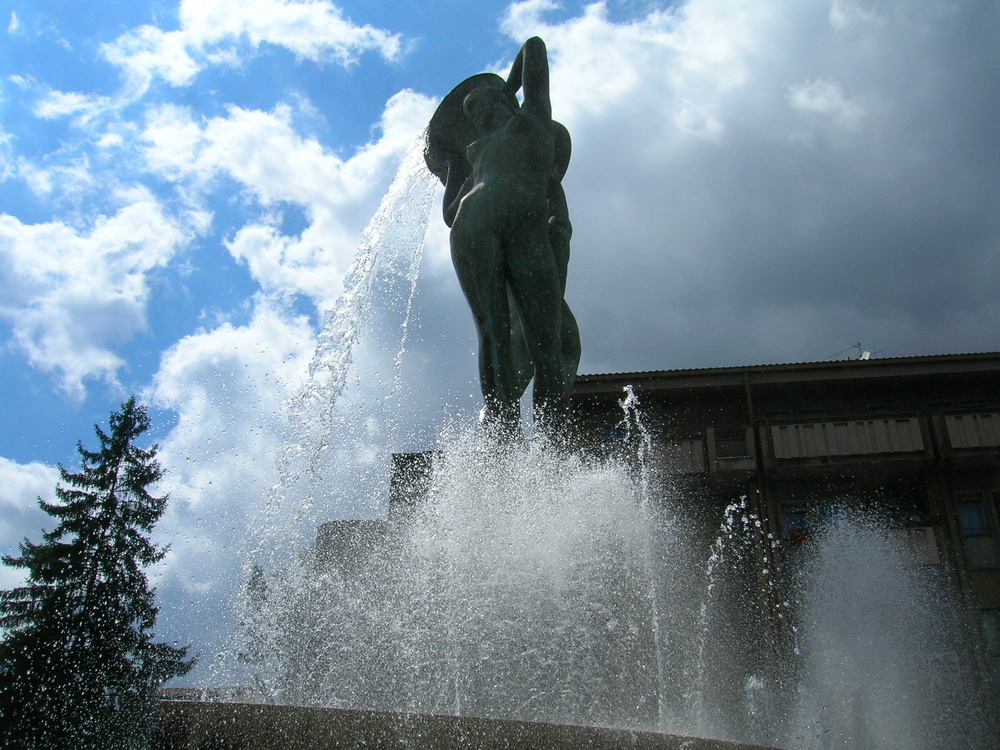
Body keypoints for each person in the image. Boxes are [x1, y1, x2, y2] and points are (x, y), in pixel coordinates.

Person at [425, 37, 579, 434]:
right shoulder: (475, 153)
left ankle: (551, 440)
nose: (476, 116)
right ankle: (503, 434)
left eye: (480, 104)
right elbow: (449, 213)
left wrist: (508, 85)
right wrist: (455, 170)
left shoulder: (532, 121)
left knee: (547, 340)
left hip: (526, 227)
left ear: (502, 101)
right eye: (470, 113)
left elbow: (535, 47)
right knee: (492, 330)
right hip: (472, 225)